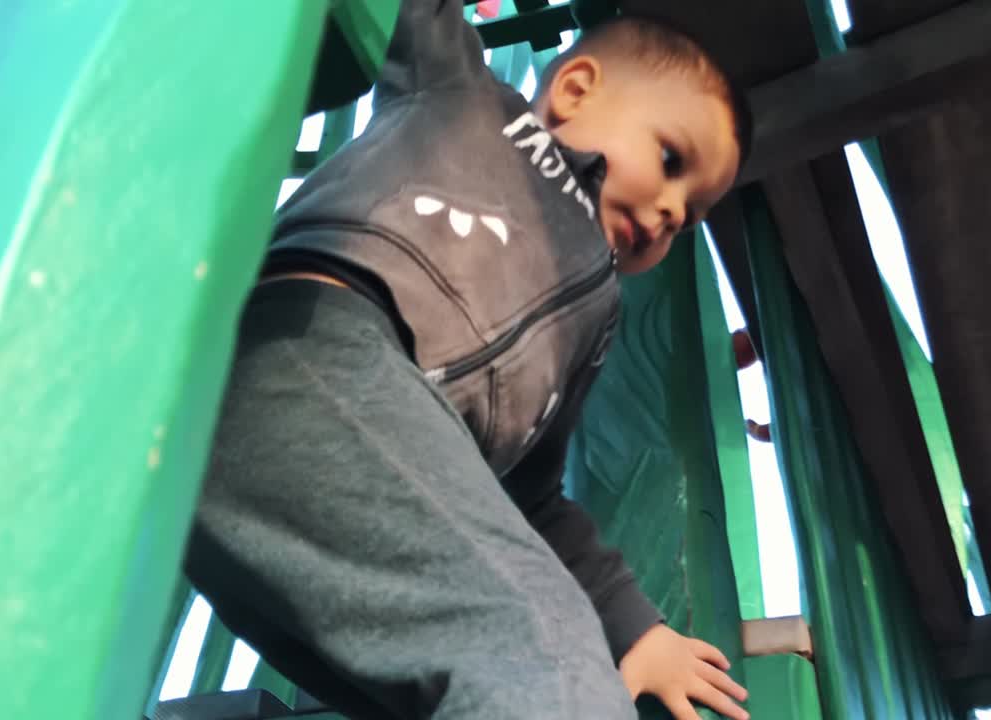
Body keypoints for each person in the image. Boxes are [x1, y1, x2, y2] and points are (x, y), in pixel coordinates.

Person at [184, 1, 750, 718]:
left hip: (355, 477)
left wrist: (637, 629)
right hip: (316, 345)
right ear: (575, 89)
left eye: (691, 212)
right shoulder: (469, 99)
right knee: (539, 646)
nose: (672, 209)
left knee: (470, 673)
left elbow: (535, 501)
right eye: (672, 161)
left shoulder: (593, 323)